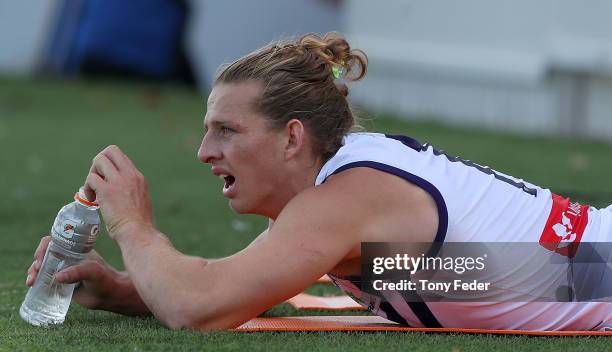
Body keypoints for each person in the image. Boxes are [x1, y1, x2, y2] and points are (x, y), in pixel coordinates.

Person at [25, 32, 612, 331]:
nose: (206, 152)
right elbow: (235, 289)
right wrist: (124, 290)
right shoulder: (338, 193)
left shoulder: (349, 196)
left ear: (292, 138)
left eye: (227, 130)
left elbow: (198, 307)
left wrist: (131, 224)